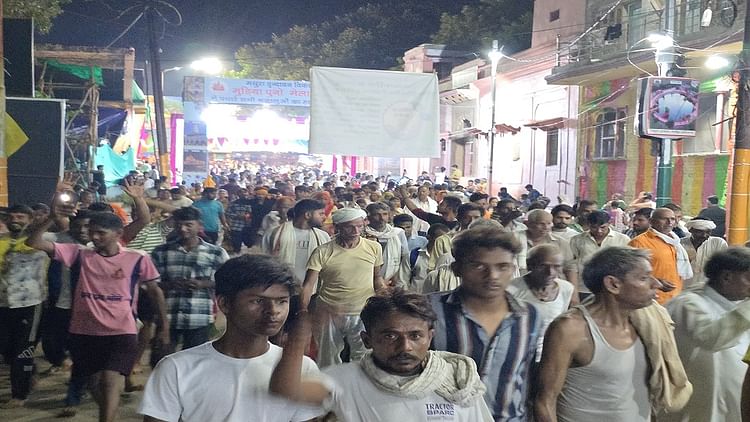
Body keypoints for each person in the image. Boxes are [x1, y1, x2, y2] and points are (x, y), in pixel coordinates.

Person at [139, 254, 325, 422]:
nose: (273, 311)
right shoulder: (176, 368)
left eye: (281, 301)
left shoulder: (302, 368)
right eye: (258, 301)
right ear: (225, 304)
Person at [26, 210, 170, 422]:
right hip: (84, 331)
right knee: (93, 383)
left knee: (109, 381)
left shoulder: (137, 258)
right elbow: (33, 242)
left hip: (121, 330)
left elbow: (155, 291)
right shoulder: (79, 253)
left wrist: (164, 326)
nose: (94, 237)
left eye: (101, 233)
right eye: (92, 232)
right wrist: (51, 217)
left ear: (118, 233)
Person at [269, 289, 493, 421]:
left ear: (430, 336)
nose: (405, 347)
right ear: (367, 340)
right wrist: (301, 335)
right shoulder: (343, 381)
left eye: (415, 336)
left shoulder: (457, 381)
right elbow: (285, 389)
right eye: (390, 336)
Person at [533, 247, 660, 422]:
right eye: (644, 278)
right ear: (613, 284)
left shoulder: (647, 324)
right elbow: (545, 402)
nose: (656, 284)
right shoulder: (571, 329)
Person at [430, 226, 541, 420]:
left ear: (513, 269)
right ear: (457, 269)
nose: (493, 276)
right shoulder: (429, 311)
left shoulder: (529, 316)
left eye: (502, 266)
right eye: (478, 266)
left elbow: (527, 377)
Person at [664, 248, 750, 422]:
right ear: (726, 277)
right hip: (699, 406)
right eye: (749, 278)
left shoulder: (739, 303)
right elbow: (711, 338)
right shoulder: (687, 304)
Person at [302, 208, 385, 367]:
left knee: (363, 355)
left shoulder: (374, 247)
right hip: (329, 312)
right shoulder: (323, 252)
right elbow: (308, 285)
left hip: (362, 311)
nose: (356, 231)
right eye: (350, 227)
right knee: (328, 356)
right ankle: (329, 382)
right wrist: (303, 311)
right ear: (337, 227)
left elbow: (377, 277)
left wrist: (383, 293)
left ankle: (358, 381)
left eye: (359, 226)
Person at [150, 206, 229, 351]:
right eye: (179, 225)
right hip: (167, 317)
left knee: (195, 361)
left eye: (188, 225)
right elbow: (151, 285)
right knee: (161, 358)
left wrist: (204, 284)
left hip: (199, 317)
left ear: (199, 225)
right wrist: (170, 285)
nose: (183, 229)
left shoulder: (216, 253)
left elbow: (229, 283)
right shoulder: (161, 252)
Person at [0, 205, 50, 408]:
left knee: (23, 350)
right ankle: (30, 372)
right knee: (6, 350)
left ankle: (19, 395)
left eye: (20, 217)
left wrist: (54, 213)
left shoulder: (43, 240)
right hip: (3, 304)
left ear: (31, 219)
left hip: (31, 303)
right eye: (11, 216)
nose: (15, 220)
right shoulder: (1, 241)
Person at [508, 244, 574, 359]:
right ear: (530, 265)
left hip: (549, 352)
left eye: (557, 267)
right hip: (518, 352)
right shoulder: (511, 289)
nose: (550, 272)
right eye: (543, 266)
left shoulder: (566, 288)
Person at [629, 208, 692, 304]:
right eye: (664, 219)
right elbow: (631, 273)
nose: (669, 222)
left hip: (675, 299)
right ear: (651, 221)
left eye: (672, 219)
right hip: (652, 300)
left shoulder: (675, 242)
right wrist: (654, 280)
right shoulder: (639, 242)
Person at [264, 199, 330, 285]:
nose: (324, 217)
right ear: (308, 215)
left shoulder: (323, 236)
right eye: (321, 214)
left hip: (312, 287)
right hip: (280, 285)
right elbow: (264, 261)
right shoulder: (274, 233)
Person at [569, 210, 631, 298]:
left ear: (609, 223)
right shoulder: (577, 240)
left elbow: (627, 264)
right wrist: (574, 291)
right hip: (584, 288)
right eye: (594, 227)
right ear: (588, 225)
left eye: (603, 227)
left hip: (612, 287)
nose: (599, 231)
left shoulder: (623, 239)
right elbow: (572, 266)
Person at [364, 202, 410, 285]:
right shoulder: (363, 234)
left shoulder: (397, 233)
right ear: (369, 217)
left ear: (389, 216)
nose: (381, 218)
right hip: (368, 280)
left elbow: (404, 258)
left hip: (393, 280)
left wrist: (397, 278)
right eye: (376, 215)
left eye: (384, 214)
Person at [680, 218, 728, 289]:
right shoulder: (680, 244)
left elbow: (724, 265)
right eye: (700, 232)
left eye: (708, 232)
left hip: (708, 287)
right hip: (684, 286)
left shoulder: (718, 243)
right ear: (690, 230)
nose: (704, 235)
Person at [225, 188, 255, 253]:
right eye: (241, 192)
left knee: (250, 243)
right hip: (236, 226)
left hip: (248, 226)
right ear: (238, 194)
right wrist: (238, 216)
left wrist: (248, 215)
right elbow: (228, 213)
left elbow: (254, 213)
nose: (243, 194)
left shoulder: (251, 203)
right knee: (236, 244)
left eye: (245, 192)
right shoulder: (233, 203)